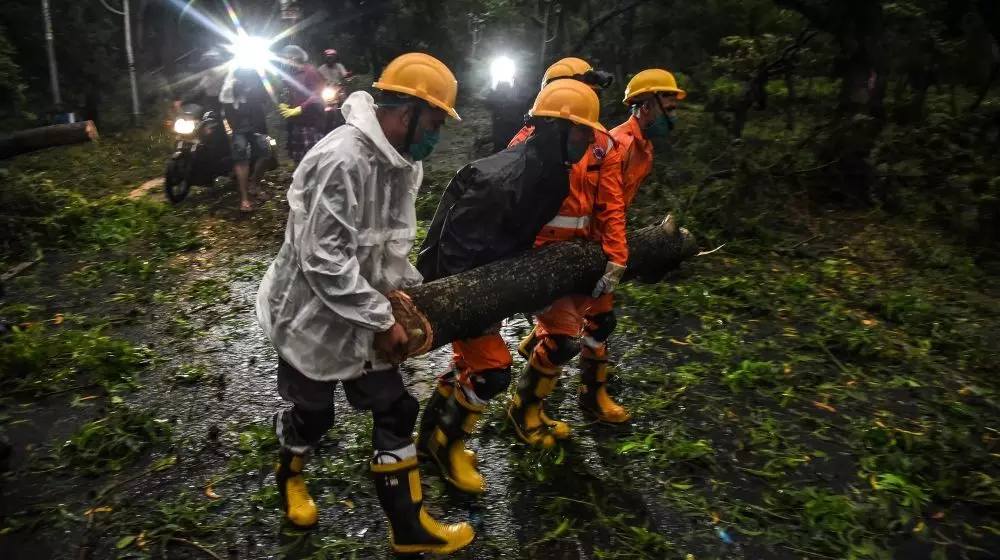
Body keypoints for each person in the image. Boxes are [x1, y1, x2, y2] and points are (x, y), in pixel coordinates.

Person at [256, 52, 473, 554]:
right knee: (314, 416)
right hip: (309, 316)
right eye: (435, 122)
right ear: (406, 113)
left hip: (361, 311)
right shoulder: (342, 160)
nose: (435, 134)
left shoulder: (402, 162)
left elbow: (387, 243)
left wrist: (399, 304)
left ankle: (409, 528)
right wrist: (380, 318)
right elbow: (324, 260)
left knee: (396, 407)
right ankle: (290, 472)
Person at [414, 79, 608, 493]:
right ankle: (447, 448)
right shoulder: (503, 178)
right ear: (556, 130)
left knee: (471, 367)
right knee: (492, 371)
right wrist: (467, 312)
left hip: (491, 282)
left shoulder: (553, 173)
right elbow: (456, 255)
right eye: (581, 131)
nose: (588, 139)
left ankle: (429, 439)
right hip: (458, 286)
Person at [507, 57, 630, 448]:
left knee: (602, 321)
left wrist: (616, 257)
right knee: (561, 341)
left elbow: (610, 205)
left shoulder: (602, 145)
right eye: (582, 87)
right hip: (544, 260)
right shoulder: (527, 141)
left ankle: (593, 395)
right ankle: (524, 409)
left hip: (587, 256)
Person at [220, 67, 272, 213]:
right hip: (236, 127)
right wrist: (231, 131)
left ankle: (254, 184)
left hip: (254, 125)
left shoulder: (253, 85)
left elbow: (265, 99)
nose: (245, 82)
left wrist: (263, 81)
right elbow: (226, 114)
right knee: (241, 158)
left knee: (266, 151)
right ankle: (244, 198)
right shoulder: (228, 90)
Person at [277, 45, 325, 164]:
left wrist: (300, 108)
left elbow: (317, 94)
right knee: (297, 156)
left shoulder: (309, 71)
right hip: (295, 122)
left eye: (285, 58)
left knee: (313, 156)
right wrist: (284, 103)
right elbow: (287, 93)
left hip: (310, 121)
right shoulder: (289, 74)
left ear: (292, 58)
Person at [175, 48, 227, 115]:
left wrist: (183, 99)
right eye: (207, 61)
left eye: (210, 61)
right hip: (216, 101)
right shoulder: (209, 74)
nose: (209, 63)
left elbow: (199, 88)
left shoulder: (220, 71)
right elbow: (199, 87)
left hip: (222, 100)